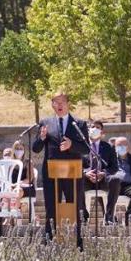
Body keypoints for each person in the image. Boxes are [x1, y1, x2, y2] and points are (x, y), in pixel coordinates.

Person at [32, 92, 89, 242]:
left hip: (73, 173)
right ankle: (48, 242)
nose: (59, 105)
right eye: (56, 102)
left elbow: (86, 149)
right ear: (52, 105)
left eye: (62, 102)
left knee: (75, 206)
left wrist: (72, 145)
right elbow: (36, 149)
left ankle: (77, 242)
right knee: (51, 208)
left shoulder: (79, 124)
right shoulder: (45, 123)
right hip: (52, 174)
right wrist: (41, 138)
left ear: (68, 103)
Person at [82, 120, 120, 224]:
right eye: (92, 127)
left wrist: (103, 173)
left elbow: (114, 167)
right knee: (77, 179)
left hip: (103, 180)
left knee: (115, 179)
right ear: (88, 130)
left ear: (102, 133)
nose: (94, 129)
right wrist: (86, 174)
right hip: (86, 180)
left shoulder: (108, 147)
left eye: (98, 127)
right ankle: (83, 216)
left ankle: (109, 216)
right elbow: (76, 166)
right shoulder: (81, 147)